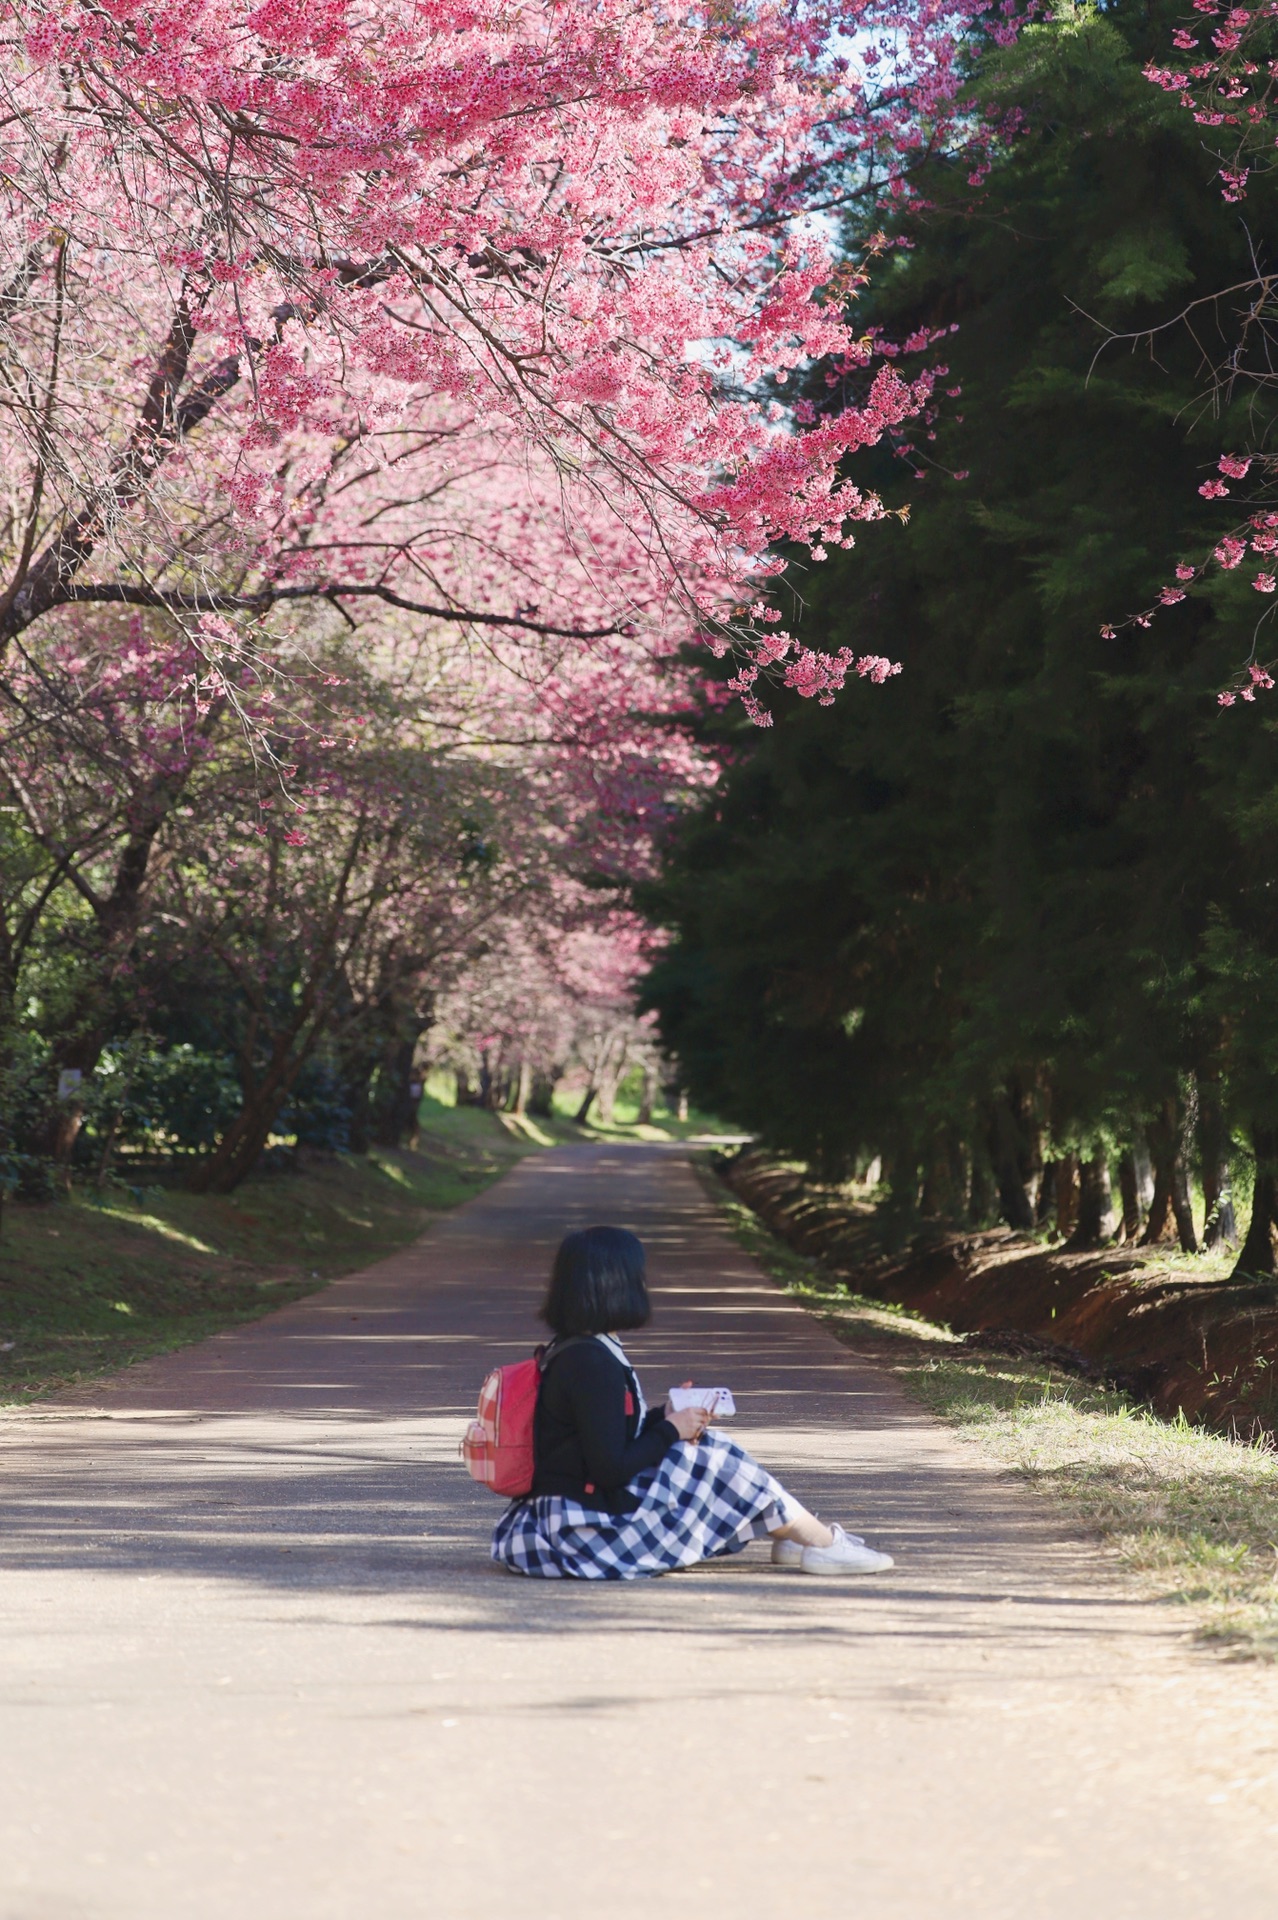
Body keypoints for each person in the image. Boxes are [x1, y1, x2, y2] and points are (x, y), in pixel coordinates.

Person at [492, 1224, 895, 1580]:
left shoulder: (580, 1348)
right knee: (713, 1454)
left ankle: (792, 1530)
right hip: (579, 1534)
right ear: (614, 1284)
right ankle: (819, 1543)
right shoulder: (589, 1361)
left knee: (699, 1448)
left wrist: (663, 1417)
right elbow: (609, 1467)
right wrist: (672, 1429)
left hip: (568, 1515)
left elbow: (597, 1437)